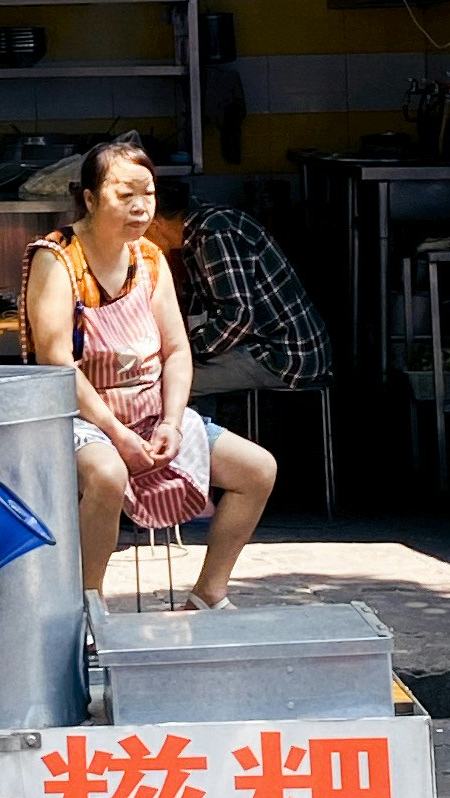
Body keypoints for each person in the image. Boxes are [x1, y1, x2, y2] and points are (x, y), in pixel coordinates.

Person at [24, 133, 276, 606]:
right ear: (90, 198)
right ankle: (85, 609)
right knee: (107, 475)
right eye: (125, 195)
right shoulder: (56, 258)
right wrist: (118, 434)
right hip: (79, 421)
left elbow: (177, 351)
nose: (141, 207)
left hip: (151, 416)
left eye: (149, 194)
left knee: (257, 470)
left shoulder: (151, 258)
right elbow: (56, 364)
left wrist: (172, 423)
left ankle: (208, 595)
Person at [148, 173, 334, 395]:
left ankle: (202, 429)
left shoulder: (214, 234)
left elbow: (238, 318)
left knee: (164, 384)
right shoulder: (201, 225)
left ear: (157, 224)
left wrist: (185, 349)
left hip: (286, 355)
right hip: (274, 346)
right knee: (175, 369)